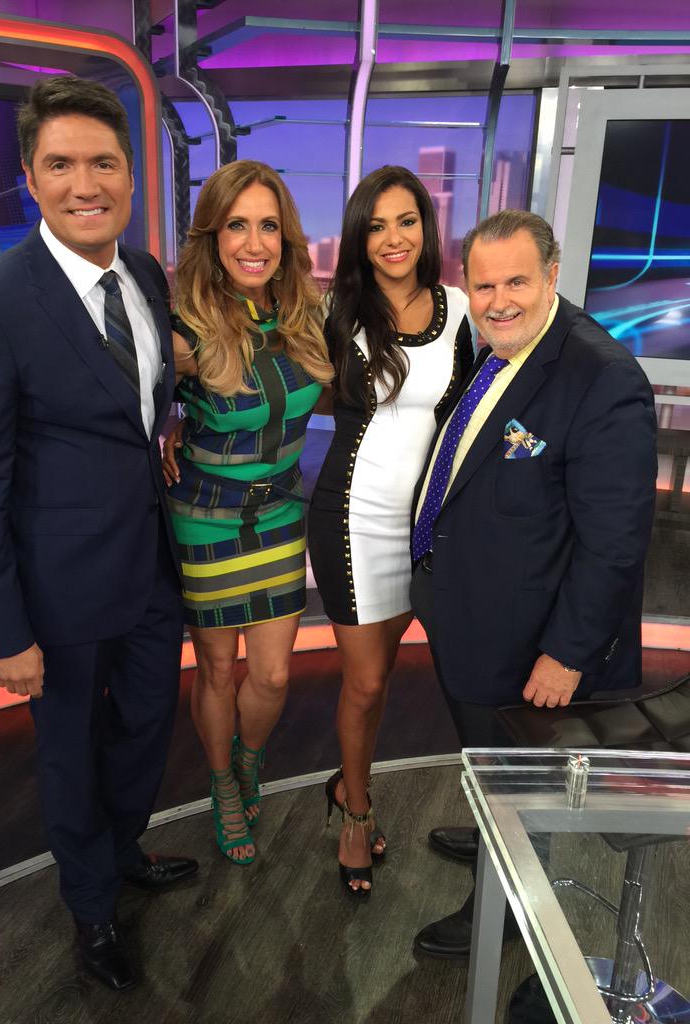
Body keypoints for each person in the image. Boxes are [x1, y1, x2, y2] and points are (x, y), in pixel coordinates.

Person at [0, 76, 198, 992]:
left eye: (104, 163)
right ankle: (92, 908)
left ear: (130, 173)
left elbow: (137, 407)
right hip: (57, 595)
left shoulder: (147, 276)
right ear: (29, 177)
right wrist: (3, 632)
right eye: (61, 165)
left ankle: (122, 851)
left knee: (145, 731)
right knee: (72, 754)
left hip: (152, 571)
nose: (86, 184)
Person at [409, 209, 657, 957]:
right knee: (494, 768)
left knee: (521, 783)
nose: (498, 301)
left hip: (528, 646)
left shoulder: (601, 377)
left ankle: (507, 909)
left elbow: (615, 545)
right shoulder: (500, 353)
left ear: (552, 274)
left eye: (516, 282)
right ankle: (494, 831)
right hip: (472, 616)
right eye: (483, 286)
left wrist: (568, 654)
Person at [308, 166, 475, 896]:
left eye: (406, 221)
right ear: (359, 237)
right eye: (376, 226)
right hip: (350, 517)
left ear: (426, 229)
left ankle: (351, 784)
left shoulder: (461, 308)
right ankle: (356, 812)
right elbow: (279, 388)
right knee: (367, 679)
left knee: (379, 681)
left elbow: (471, 409)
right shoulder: (334, 309)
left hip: (423, 523)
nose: (393, 238)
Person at [162, 160, 333, 866]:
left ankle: (249, 759)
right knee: (217, 670)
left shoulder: (306, 316)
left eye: (268, 226)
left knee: (272, 676)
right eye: (237, 225)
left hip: (280, 513)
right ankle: (222, 783)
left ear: (286, 238)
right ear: (213, 236)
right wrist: (165, 429)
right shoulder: (183, 328)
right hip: (205, 516)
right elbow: (121, 403)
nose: (254, 243)